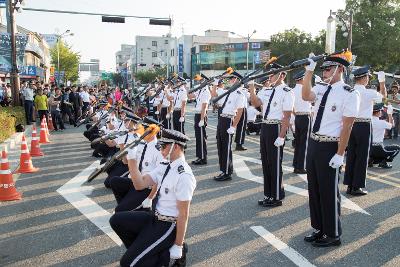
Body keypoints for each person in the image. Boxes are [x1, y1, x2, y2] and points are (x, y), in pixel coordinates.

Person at [109, 129, 196, 267]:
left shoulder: (184, 176)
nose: (161, 149)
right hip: (154, 217)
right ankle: (146, 254)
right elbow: (139, 185)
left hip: (168, 225)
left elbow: (183, 214)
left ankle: (165, 257)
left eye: (164, 146)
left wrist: (178, 245)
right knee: (116, 220)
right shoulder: (165, 166)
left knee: (127, 263)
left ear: (176, 146)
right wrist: (131, 159)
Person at [302, 52, 359, 247]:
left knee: (328, 191)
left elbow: (347, 126)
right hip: (315, 142)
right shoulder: (319, 89)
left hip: (330, 145)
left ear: (340, 69)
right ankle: (319, 228)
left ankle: (333, 233)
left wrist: (340, 154)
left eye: (328, 68)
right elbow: (305, 95)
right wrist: (309, 72)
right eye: (323, 68)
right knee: (314, 189)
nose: (325, 72)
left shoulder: (349, 93)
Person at [249, 63, 294, 207]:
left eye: (273, 74)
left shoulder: (287, 91)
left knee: (275, 164)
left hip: (276, 127)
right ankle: (268, 194)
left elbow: (287, 116)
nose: (270, 77)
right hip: (265, 125)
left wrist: (282, 136)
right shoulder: (266, 90)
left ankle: (276, 196)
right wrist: (251, 89)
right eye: (270, 74)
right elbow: (255, 103)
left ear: (282, 75)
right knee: (266, 163)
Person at [343, 67, 386, 196]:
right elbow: (383, 96)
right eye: (367, 77)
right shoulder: (369, 92)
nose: (368, 79)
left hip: (352, 124)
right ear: (363, 78)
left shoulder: (350, 91)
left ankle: (350, 185)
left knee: (351, 155)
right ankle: (357, 187)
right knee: (362, 156)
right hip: (363, 125)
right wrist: (382, 81)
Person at [109, 118, 164, 212]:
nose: (141, 130)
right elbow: (125, 162)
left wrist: (150, 197)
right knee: (114, 181)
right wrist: (125, 149)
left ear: (152, 131)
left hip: (147, 189)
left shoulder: (159, 151)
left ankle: (139, 208)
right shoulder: (140, 144)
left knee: (119, 212)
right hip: (135, 182)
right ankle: (128, 207)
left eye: (144, 128)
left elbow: (160, 177)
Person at [211, 73, 246, 181]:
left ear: (237, 80)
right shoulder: (227, 91)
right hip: (221, 119)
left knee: (226, 147)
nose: (230, 80)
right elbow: (213, 95)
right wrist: (215, 84)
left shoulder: (240, 94)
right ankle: (223, 170)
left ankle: (227, 172)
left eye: (232, 78)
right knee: (220, 146)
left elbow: (240, 111)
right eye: (230, 79)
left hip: (229, 120)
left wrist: (234, 126)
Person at [292, 70, 312, 174]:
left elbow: (291, 107)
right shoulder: (306, 89)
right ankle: (301, 166)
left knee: (298, 142)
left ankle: (296, 164)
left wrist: (296, 114)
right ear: (303, 79)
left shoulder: (292, 90)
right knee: (305, 143)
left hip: (298, 117)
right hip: (305, 116)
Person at [189, 75, 211, 165]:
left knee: (201, 138)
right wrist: (188, 88)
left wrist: (202, 119)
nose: (199, 82)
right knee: (198, 137)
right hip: (197, 115)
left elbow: (204, 106)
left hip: (201, 115)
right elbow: (190, 96)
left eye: (201, 80)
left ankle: (203, 158)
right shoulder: (200, 90)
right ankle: (199, 156)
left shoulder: (206, 91)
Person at [370, 103, 400, 168]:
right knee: (397, 148)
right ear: (377, 112)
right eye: (380, 111)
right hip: (378, 148)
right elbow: (392, 125)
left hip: (368, 148)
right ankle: (383, 162)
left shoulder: (368, 121)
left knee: (378, 150)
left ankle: (370, 160)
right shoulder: (382, 123)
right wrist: (390, 114)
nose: (381, 112)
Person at [235, 85, 249, 151]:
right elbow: (250, 96)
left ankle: (238, 143)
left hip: (235, 109)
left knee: (237, 127)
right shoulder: (243, 90)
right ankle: (239, 144)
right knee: (241, 127)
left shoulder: (234, 89)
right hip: (242, 109)